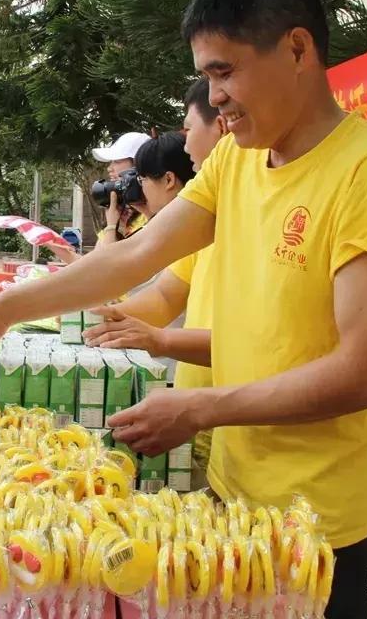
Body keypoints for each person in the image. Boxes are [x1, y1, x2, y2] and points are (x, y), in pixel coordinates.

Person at [0, 0, 367, 619]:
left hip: (321, 529)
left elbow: (362, 373)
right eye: (206, 76)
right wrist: (3, 308)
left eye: (224, 72)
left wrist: (200, 409)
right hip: (230, 503)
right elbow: (139, 252)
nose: (215, 96)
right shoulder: (238, 158)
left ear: (296, 49)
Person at [83, 79, 226, 480]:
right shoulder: (206, 220)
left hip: (229, 420)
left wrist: (157, 339)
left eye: (188, 130)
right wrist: (112, 317)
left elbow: (268, 344)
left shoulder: (251, 216)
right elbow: (165, 295)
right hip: (200, 413)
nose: (186, 147)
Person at [48, 131, 151, 264]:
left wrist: (112, 226)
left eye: (117, 161)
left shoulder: (153, 214)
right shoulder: (120, 213)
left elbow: (105, 266)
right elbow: (91, 265)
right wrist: (54, 244)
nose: (110, 168)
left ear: (138, 165)